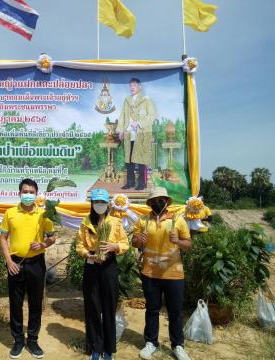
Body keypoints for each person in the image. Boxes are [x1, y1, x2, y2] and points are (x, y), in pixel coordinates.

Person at [132, 187, 192, 360]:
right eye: (154, 200)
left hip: (174, 274)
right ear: (149, 203)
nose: (157, 202)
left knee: (175, 312)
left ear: (166, 201)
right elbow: (134, 243)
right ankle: (151, 342)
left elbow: (188, 244)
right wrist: (138, 240)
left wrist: (178, 241)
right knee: (152, 309)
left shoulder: (178, 220)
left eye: (161, 199)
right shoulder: (143, 221)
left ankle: (178, 346)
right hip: (150, 273)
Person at [0, 178, 56, 359]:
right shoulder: (10, 213)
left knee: (35, 303)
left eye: (32, 192)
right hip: (16, 263)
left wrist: (42, 244)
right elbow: (3, 238)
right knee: (15, 303)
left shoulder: (43, 214)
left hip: (36, 264)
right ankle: (18, 341)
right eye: (25, 191)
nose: (28, 195)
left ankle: (32, 340)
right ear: (19, 193)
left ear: (37, 194)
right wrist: (8, 261)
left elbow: (52, 237)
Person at [76, 189, 129, 360]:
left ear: (108, 204)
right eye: (96, 202)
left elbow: (125, 243)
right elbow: (79, 245)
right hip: (91, 266)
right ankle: (95, 347)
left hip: (109, 267)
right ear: (92, 204)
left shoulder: (115, 221)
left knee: (108, 308)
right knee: (92, 308)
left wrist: (115, 247)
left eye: (103, 202)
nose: (100, 205)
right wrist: (88, 255)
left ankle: (108, 349)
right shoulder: (85, 222)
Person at [116, 78, 156, 190]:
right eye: (130, 85)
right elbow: (123, 115)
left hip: (142, 134)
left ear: (140, 86)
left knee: (141, 160)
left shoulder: (146, 100)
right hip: (129, 134)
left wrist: (139, 123)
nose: (132, 87)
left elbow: (152, 116)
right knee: (129, 160)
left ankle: (142, 184)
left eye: (134, 85)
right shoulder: (127, 100)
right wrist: (120, 130)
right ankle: (130, 182)